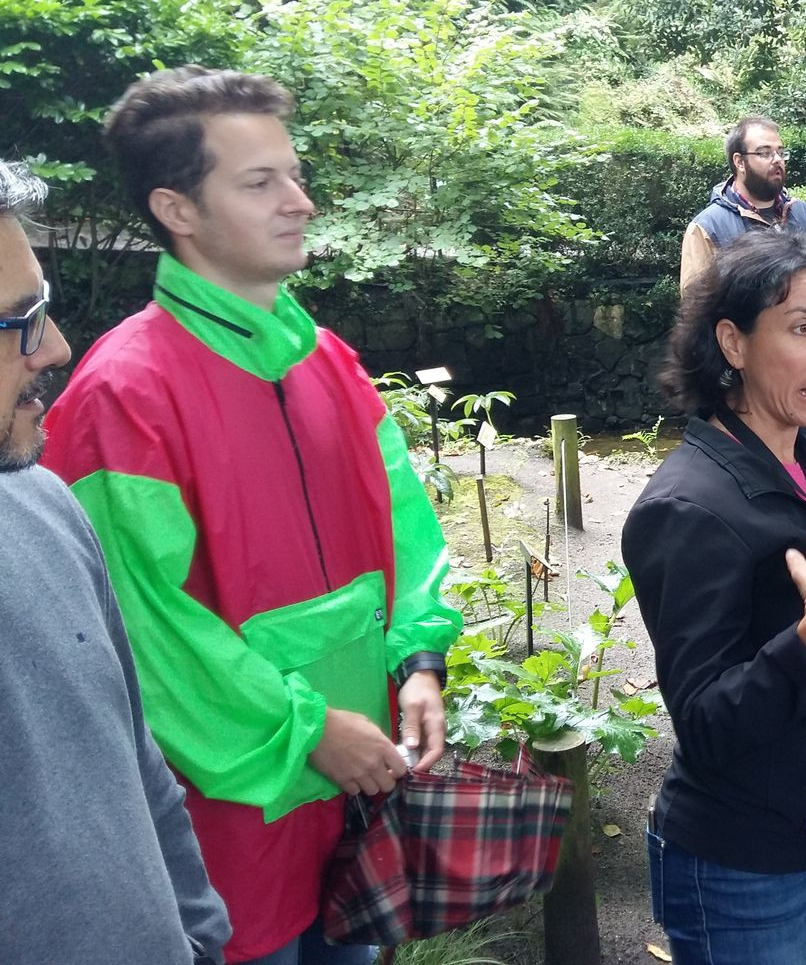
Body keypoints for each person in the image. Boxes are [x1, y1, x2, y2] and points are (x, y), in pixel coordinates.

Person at [42, 67, 463, 965]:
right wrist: (310, 730)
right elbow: (142, 629)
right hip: (230, 827)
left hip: (360, 799)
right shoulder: (123, 393)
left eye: (295, 174)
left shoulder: (330, 361)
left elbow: (406, 529)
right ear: (177, 209)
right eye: (260, 182)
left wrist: (419, 663)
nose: (301, 201)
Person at [624, 230, 806, 964]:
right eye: (801, 327)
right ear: (733, 342)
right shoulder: (687, 508)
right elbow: (707, 725)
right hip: (744, 861)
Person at [0, 160, 231, 965]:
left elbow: (133, 757)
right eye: (16, 321)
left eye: (44, 309)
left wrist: (196, 934)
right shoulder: (127, 383)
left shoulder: (40, 502)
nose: (54, 348)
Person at [680, 115, 806, 292]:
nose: (777, 159)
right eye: (764, 153)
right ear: (740, 162)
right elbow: (696, 305)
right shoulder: (707, 228)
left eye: (780, 152)